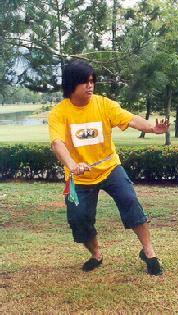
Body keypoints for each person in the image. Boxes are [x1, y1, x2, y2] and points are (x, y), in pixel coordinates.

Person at [48, 60, 169, 275]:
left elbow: (131, 119)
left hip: (110, 168)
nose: (90, 86)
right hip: (80, 178)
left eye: (92, 81)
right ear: (70, 85)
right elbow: (58, 143)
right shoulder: (59, 113)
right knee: (79, 220)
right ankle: (96, 255)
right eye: (84, 82)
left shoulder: (103, 104)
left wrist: (152, 128)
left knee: (131, 201)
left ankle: (149, 252)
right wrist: (72, 165)